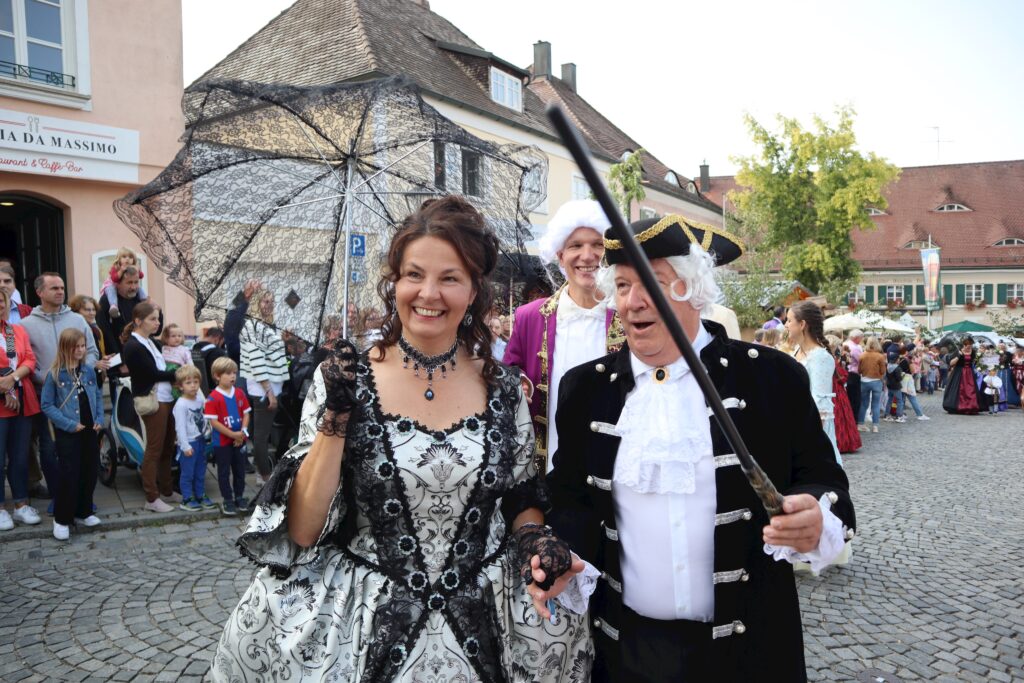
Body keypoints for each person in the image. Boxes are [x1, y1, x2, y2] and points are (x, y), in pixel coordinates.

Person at [210, 196, 591, 682]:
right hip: (361, 619)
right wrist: (336, 416)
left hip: (489, 615)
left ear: (474, 290)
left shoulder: (504, 389)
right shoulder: (343, 381)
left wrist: (534, 538)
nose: (428, 293)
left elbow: (520, 497)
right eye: (414, 275)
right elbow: (304, 531)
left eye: (449, 277)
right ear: (394, 283)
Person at [543, 215, 854, 682]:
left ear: (694, 289)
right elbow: (570, 497)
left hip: (748, 652)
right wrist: (559, 550)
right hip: (626, 654)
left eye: (654, 283)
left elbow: (825, 483)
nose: (634, 301)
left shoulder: (771, 378)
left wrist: (816, 520)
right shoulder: (585, 389)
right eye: (623, 284)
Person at [504, 199, 622, 470]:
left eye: (598, 245)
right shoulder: (529, 317)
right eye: (576, 246)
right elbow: (507, 376)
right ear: (560, 256)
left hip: (614, 469)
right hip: (548, 468)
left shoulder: (629, 316)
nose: (588, 255)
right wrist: (519, 385)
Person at [20, 274, 103, 500]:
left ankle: (82, 497)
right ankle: (59, 498)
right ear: (40, 292)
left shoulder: (77, 320)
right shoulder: (26, 325)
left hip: (79, 395)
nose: (60, 291)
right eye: (54, 288)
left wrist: (79, 371)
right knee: (49, 447)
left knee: (81, 446)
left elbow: (93, 351)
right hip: (45, 395)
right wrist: (45, 377)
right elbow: (25, 358)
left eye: (62, 287)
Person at [40, 328, 104, 540]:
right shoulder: (55, 374)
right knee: (69, 473)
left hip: (89, 428)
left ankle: (84, 510)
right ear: (65, 348)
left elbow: (95, 395)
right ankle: (62, 518)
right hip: (69, 431)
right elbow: (47, 405)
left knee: (89, 469)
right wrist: (67, 424)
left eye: (82, 346)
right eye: (75, 346)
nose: (80, 350)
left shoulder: (88, 370)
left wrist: (99, 419)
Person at [121, 303, 178, 512]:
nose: (158, 323)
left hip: (165, 397)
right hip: (152, 400)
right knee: (154, 449)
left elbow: (161, 367)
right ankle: (152, 498)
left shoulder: (150, 342)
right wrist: (177, 374)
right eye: (153, 319)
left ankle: (167, 491)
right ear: (138, 321)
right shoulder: (133, 346)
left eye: (158, 319)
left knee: (167, 446)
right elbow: (151, 374)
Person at [0, 288, 42, 531]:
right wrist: (4, 388)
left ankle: (20, 505)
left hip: (21, 402)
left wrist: (13, 379)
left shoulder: (15, 330)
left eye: (2, 302)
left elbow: (29, 359)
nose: (0, 306)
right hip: (2, 404)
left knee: (19, 457)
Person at [239, 286, 289, 482]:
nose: (269, 305)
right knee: (261, 435)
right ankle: (265, 475)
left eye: (271, 301)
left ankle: (263, 472)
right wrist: (269, 392)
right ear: (256, 304)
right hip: (263, 388)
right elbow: (257, 362)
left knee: (264, 433)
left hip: (272, 386)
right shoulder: (253, 326)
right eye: (264, 301)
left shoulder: (268, 326)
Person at [786, 301, 841, 463]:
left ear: (802, 324)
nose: (786, 325)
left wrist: (807, 447)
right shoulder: (797, 351)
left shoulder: (820, 357)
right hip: (795, 428)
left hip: (810, 436)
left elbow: (820, 409)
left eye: (789, 320)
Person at [204, 357, 251, 516]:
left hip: (240, 440)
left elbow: (246, 415)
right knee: (224, 472)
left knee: (240, 470)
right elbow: (214, 422)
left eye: (234, 373)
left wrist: (242, 433)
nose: (233, 376)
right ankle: (227, 499)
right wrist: (232, 434)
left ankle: (239, 496)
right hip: (222, 442)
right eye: (228, 373)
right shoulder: (212, 398)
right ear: (217, 376)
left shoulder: (239, 393)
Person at [172, 365, 216, 512]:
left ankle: (200, 494)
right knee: (187, 473)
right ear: (180, 386)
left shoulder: (199, 400)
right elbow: (180, 427)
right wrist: (185, 446)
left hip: (200, 441)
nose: (193, 386)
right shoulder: (181, 405)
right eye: (188, 383)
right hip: (188, 444)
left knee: (200, 470)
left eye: (196, 382)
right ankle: (187, 498)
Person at [826, 335, 861, 454]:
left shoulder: (830, 358)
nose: (840, 347)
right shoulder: (831, 359)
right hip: (836, 390)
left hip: (832, 389)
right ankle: (842, 443)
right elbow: (842, 377)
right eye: (838, 345)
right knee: (839, 417)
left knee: (837, 417)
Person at [101, 247, 150, 319]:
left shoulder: (134, 267)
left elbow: (141, 276)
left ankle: (144, 300)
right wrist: (121, 271)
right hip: (112, 284)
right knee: (111, 290)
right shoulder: (116, 267)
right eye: (124, 257)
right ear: (119, 259)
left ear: (133, 260)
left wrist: (138, 270)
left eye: (130, 257)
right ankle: (113, 305)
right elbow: (114, 279)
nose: (127, 259)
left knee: (139, 288)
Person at [942, 338, 980, 415]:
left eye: (970, 346)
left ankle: (971, 406)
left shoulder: (973, 352)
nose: (969, 347)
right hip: (959, 372)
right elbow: (951, 363)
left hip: (969, 373)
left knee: (970, 389)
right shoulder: (958, 352)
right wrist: (959, 355)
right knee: (959, 389)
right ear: (964, 345)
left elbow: (974, 361)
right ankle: (958, 406)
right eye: (968, 346)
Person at [897, 346, 929, 421]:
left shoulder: (899, 359)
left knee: (901, 399)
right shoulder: (908, 360)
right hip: (907, 380)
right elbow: (913, 371)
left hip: (901, 379)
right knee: (912, 397)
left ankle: (900, 414)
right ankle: (920, 414)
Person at [192, 326, 227, 394]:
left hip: (196, 389)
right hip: (214, 391)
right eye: (222, 342)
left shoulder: (194, 349)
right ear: (217, 339)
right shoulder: (217, 352)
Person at [843, 329, 864, 421]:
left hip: (848, 373)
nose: (861, 339)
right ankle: (853, 419)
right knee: (855, 398)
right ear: (856, 338)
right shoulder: (855, 348)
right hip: (853, 374)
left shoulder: (846, 343)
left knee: (850, 397)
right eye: (861, 338)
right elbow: (861, 360)